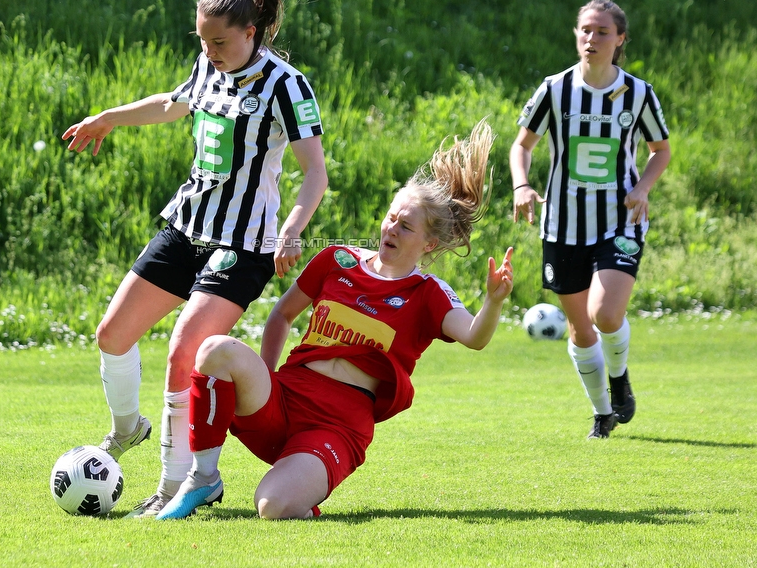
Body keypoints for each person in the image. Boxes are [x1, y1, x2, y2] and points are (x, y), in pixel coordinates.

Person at [131, 120, 515, 520]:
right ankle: (203, 478)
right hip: (284, 398)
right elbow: (282, 314)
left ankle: (300, 484)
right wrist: (266, 376)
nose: (392, 229)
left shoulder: (427, 291)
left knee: (273, 507)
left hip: (337, 426)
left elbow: (474, 337)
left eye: (406, 226)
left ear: (429, 243)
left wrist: (493, 301)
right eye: (390, 218)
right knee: (214, 349)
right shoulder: (338, 259)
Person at [61, 0, 328, 514]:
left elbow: (314, 173)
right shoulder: (209, 63)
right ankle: (128, 428)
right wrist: (108, 118)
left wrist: (292, 231)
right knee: (112, 335)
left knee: (185, 349)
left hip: (245, 244)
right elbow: (173, 103)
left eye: (221, 43)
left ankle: (176, 483)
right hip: (187, 227)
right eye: (202, 42)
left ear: (251, 32)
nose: (210, 53)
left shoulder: (286, 85)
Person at [510, 0, 671, 440]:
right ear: (576, 34)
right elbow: (521, 145)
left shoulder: (638, 94)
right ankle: (602, 413)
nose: (591, 39)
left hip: (621, 221)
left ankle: (619, 376)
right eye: (585, 30)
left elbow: (661, 151)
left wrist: (642, 188)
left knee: (605, 313)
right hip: (562, 225)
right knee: (581, 328)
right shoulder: (555, 89)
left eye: (602, 31)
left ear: (620, 39)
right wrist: (521, 185)